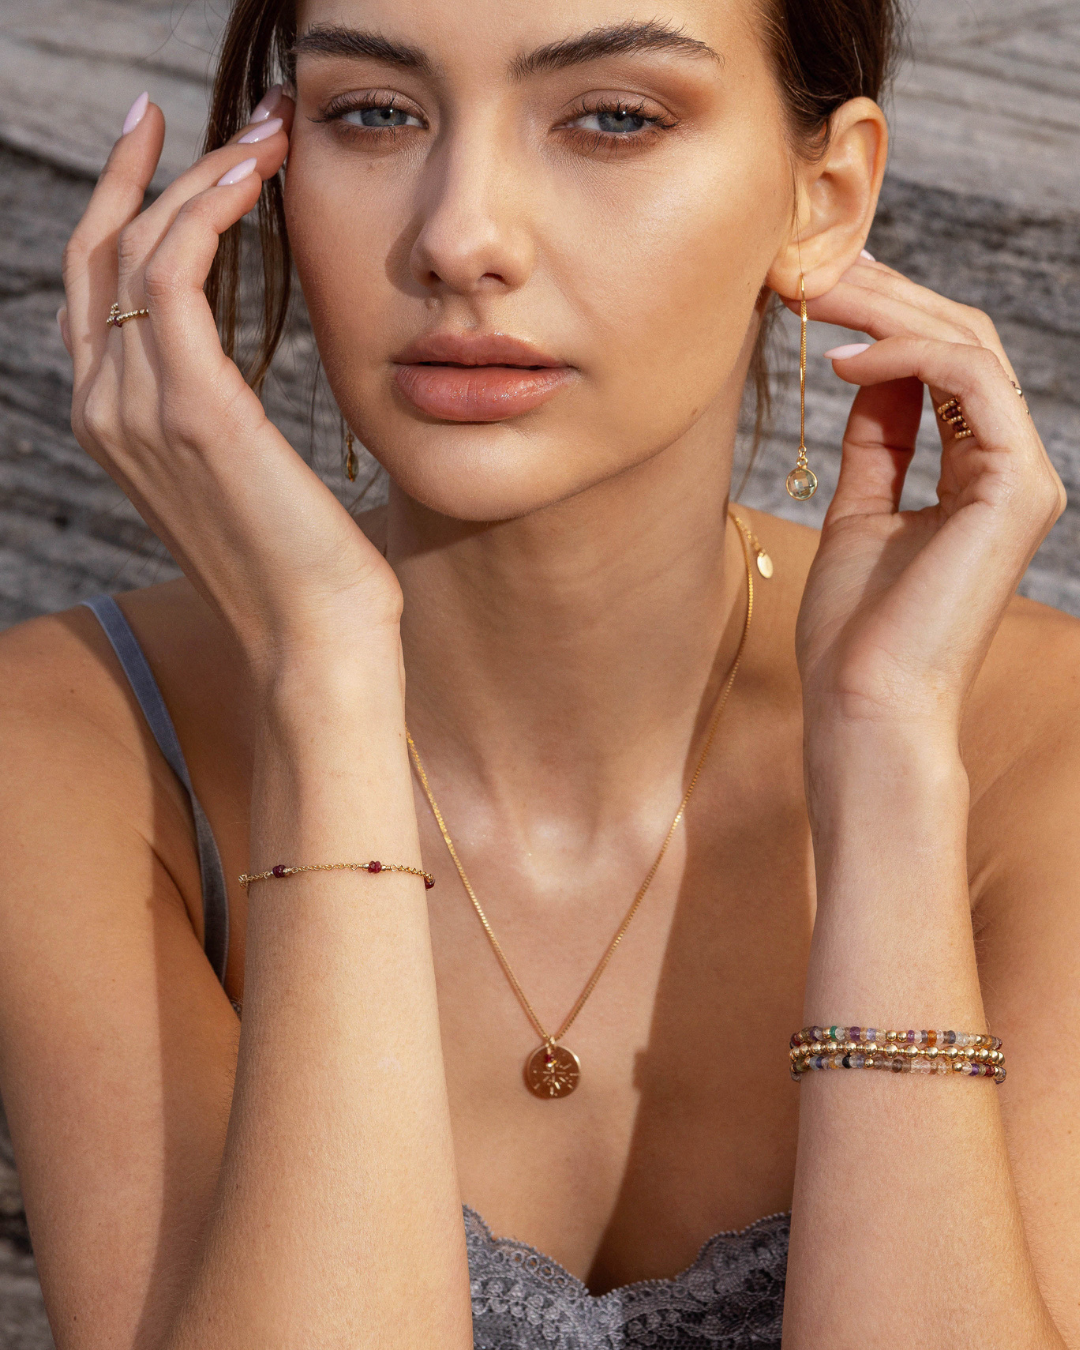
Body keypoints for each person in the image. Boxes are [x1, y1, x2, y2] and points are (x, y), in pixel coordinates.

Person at [0, 0, 1077, 1345]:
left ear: (825, 193)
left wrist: (890, 765)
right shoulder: (70, 742)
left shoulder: (1044, 747)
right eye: (373, 113)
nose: (461, 238)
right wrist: (327, 671)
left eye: (612, 117)